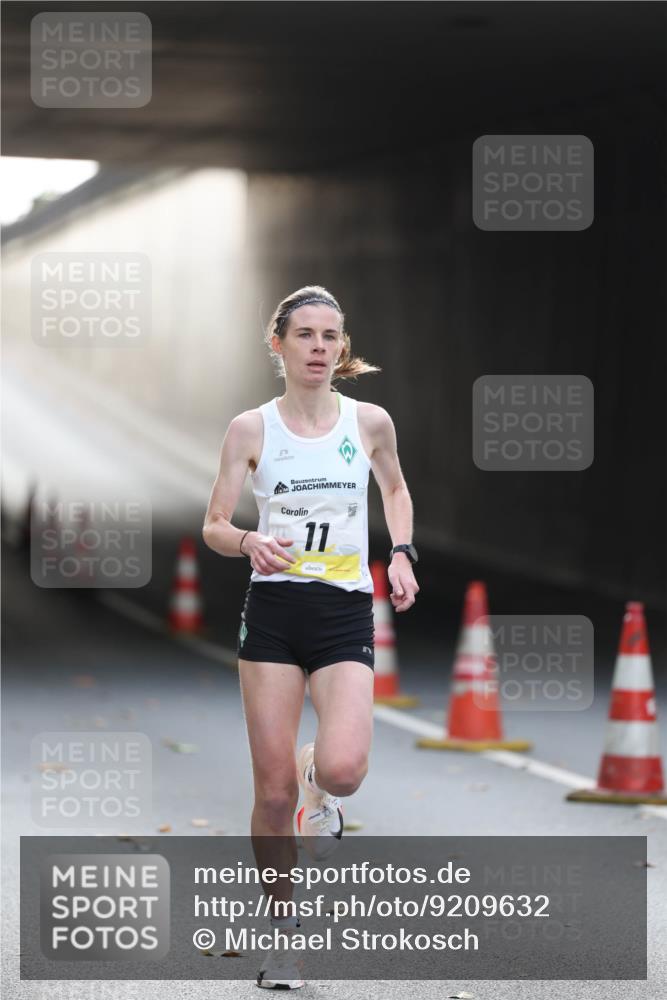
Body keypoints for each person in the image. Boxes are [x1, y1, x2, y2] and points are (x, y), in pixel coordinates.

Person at [202, 285, 419, 989]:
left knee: (344, 769)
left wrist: (404, 552)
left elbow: (393, 488)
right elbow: (213, 523)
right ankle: (284, 935)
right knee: (269, 798)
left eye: (330, 336)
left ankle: (314, 779)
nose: (320, 348)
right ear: (279, 345)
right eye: (305, 335)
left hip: (342, 614)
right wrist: (245, 542)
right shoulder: (250, 429)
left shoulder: (370, 422)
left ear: (341, 346)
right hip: (272, 616)